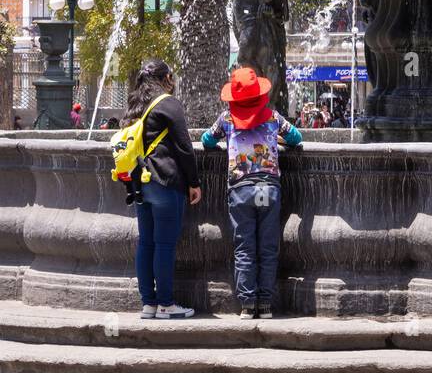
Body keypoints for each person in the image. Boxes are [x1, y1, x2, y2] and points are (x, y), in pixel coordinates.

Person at [201, 66, 302, 319]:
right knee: (268, 247)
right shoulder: (272, 117)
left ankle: (247, 305)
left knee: (244, 248)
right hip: (269, 188)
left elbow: (206, 141)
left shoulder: (226, 120)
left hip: (241, 189)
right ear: (259, 95)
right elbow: (296, 137)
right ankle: (265, 304)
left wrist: (227, 141)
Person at [124, 59, 201, 320]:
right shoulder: (168, 103)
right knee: (165, 245)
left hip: (139, 183)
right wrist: (194, 182)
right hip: (165, 181)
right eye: (172, 75)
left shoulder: (135, 104)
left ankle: (149, 304)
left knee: (146, 242)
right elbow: (183, 146)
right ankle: (166, 304)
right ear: (166, 77)